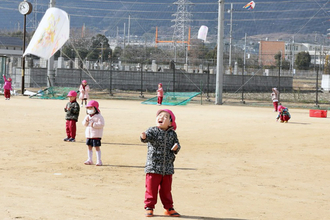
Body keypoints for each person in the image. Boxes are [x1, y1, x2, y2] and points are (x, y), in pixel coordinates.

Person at [140, 109, 181, 217]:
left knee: (166, 190)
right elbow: (146, 138)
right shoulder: (152, 130)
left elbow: (177, 145)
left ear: (171, 122)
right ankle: (149, 207)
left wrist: (176, 148)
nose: (161, 117)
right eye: (159, 115)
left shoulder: (172, 134)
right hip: (153, 166)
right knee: (151, 188)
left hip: (167, 167)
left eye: (165, 116)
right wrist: (143, 137)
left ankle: (168, 208)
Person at [82, 100, 105, 166]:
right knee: (89, 147)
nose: (89, 110)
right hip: (89, 135)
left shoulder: (99, 116)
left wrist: (93, 124)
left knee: (96, 147)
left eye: (91, 108)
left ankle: (99, 160)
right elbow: (84, 124)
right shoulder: (87, 116)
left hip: (96, 135)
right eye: (88, 108)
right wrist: (86, 121)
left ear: (95, 108)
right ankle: (90, 159)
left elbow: (101, 124)